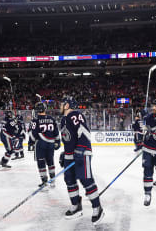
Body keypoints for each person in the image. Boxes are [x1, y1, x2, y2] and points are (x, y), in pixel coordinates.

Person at [59, 96, 104, 225]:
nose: (61, 106)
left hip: (82, 153)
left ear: (67, 105)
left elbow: (85, 133)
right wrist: (65, 153)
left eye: (63, 104)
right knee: (69, 179)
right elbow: (69, 139)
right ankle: (76, 206)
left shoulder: (75, 115)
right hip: (70, 154)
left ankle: (97, 208)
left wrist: (81, 149)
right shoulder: (64, 119)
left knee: (86, 179)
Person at [28, 102, 60, 188]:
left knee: (41, 162)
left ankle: (44, 181)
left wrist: (30, 142)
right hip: (51, 144)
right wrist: (58, 141)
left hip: (41, 143)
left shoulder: (35, 120)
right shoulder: (51, 119)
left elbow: (32, 134)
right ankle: (53, 181)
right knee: (50, 161)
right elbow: (56, 132)